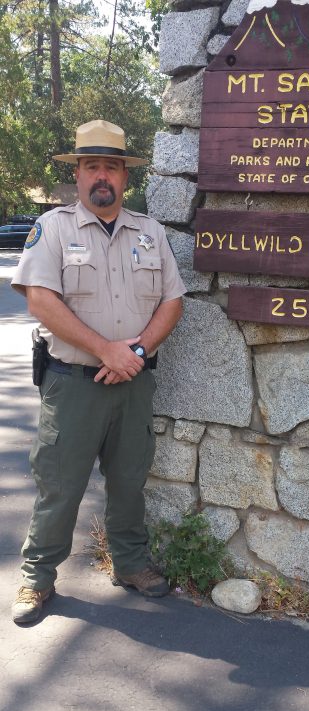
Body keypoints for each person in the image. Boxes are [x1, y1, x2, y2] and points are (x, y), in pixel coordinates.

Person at [11, 119, 186, 624]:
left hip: (132, 383)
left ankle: (131, 564)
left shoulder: (150, 233)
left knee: (129, 479)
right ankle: (38, 578)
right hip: (72, 385)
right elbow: (41, 299)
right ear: (79, 175)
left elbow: (172, 301)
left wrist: (133, 351)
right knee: (59, 483)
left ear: (125, 177)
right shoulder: (55, 228)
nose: (101, 175)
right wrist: (106, 349)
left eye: (111, 166)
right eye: (92, 166)